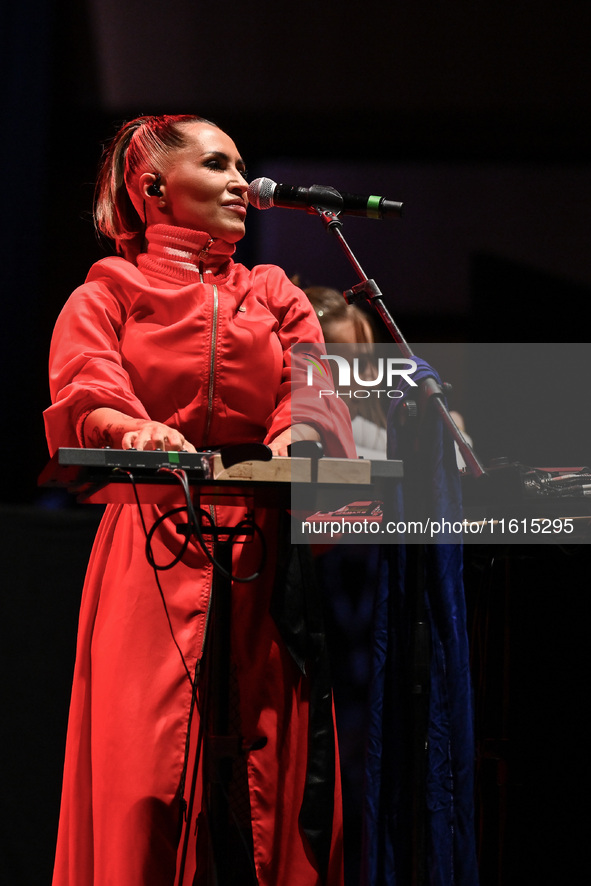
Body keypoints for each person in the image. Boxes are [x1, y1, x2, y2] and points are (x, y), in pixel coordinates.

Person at [44, 114, 356, 886]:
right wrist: (134, 427)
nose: (242, 184)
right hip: (151, 543)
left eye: (243, 166)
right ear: (154, 189)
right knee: (148, 780)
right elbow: (86, 389)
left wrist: (301, 436)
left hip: (261, 543)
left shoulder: (271, 292)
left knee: (263, 777)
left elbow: (311, 386)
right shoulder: (109, 288)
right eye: (219, 165)